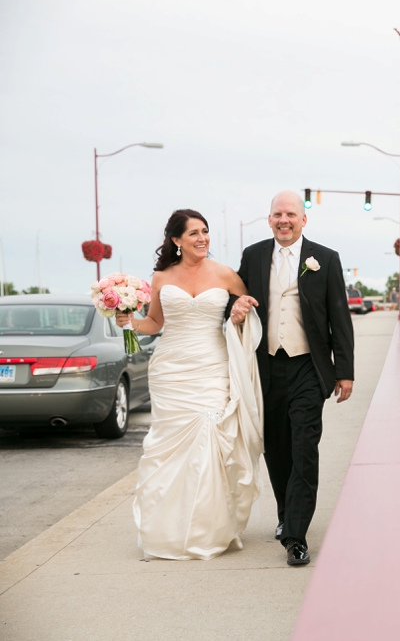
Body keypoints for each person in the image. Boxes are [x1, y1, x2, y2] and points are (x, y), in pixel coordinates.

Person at [116, 209, 264, 560]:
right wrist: (128, 322)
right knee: (170, 450)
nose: (202, 238)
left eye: (206, 231)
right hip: (170, 369)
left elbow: (247, 311)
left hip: (213, 366)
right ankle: (168, 530)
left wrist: (241, 310)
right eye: (194, 233)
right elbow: (153, 323)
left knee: (211, 439)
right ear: (176, 240)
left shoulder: (225, 274)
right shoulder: (160, 277)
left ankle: (209, 529)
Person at [229, 190, 354, 566]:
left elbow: (339, 317)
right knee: (277, 450)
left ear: (303, 220)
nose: (284, 220)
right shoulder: (252, 256)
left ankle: (296, 536)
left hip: (307, 367)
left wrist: (344, 372)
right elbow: (232, 297)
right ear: (269, 220)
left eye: (291, 215)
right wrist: (234, 306)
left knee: (303, 448)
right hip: (266, 367)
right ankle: (286, 513)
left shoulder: (326, 259)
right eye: (277, 214)